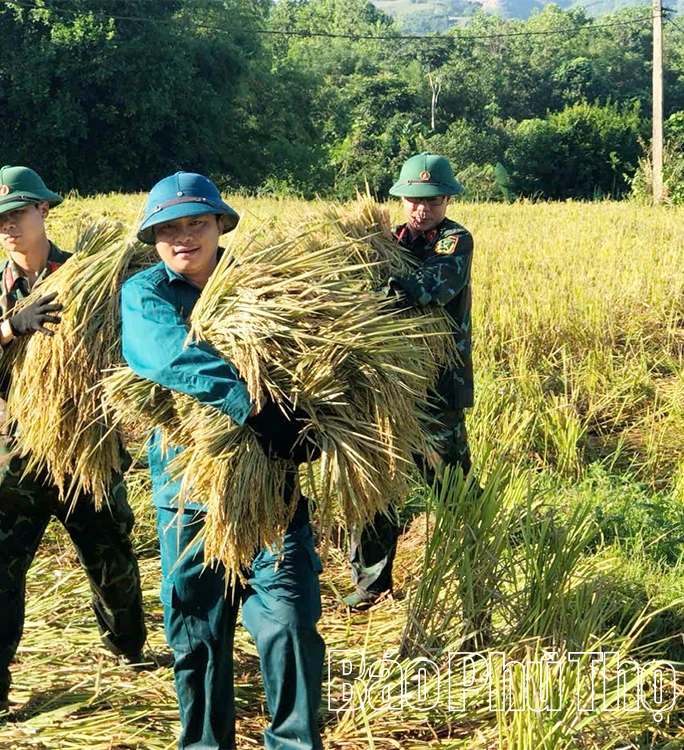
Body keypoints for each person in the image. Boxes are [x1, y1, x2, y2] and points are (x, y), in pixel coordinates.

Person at [120, 171, 325, 750]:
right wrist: (254, 407)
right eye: (170, 228)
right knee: (197, 631)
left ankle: (294, 743)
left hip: (272, 483)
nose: (185, 237)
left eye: (197, 223)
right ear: (154, 239)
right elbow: (164, 354)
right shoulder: (146, 293)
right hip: (187, 489)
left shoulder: (264, 282)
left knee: (287, 623)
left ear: (219, 226)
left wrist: (312, 418)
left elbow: (321, 350)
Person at [0, 165, 148, 723]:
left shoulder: (92, 276)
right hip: (12, 458)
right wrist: (9, 326)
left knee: (113, 561)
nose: (8, 225)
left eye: (18, 213)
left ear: (44, 212)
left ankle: (129, 645)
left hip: (86, 448)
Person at [344, 152, 475, 611]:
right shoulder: (384, 240)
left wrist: (371, 296)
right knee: (376, 482)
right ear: (401, 199)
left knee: (450, 484)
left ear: (446, 201)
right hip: (384, 386)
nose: (423, 210)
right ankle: (370, 584)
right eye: (414, 200)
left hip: (436, 387)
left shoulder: (454, 241)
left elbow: (430, 288)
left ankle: (473, 566)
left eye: (433, 201)